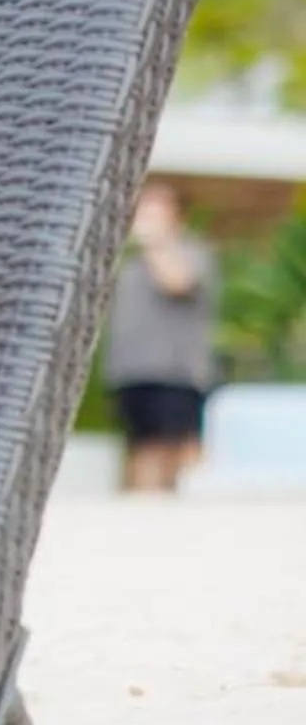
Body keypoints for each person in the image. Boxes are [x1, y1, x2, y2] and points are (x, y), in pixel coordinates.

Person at [105, 180, 220, 493]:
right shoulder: (131, 262)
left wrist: (156, 242)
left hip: (174, 373)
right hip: (132, 373)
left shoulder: (190, 252)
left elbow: (177, 282)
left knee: (172, 449)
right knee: (140, 448)